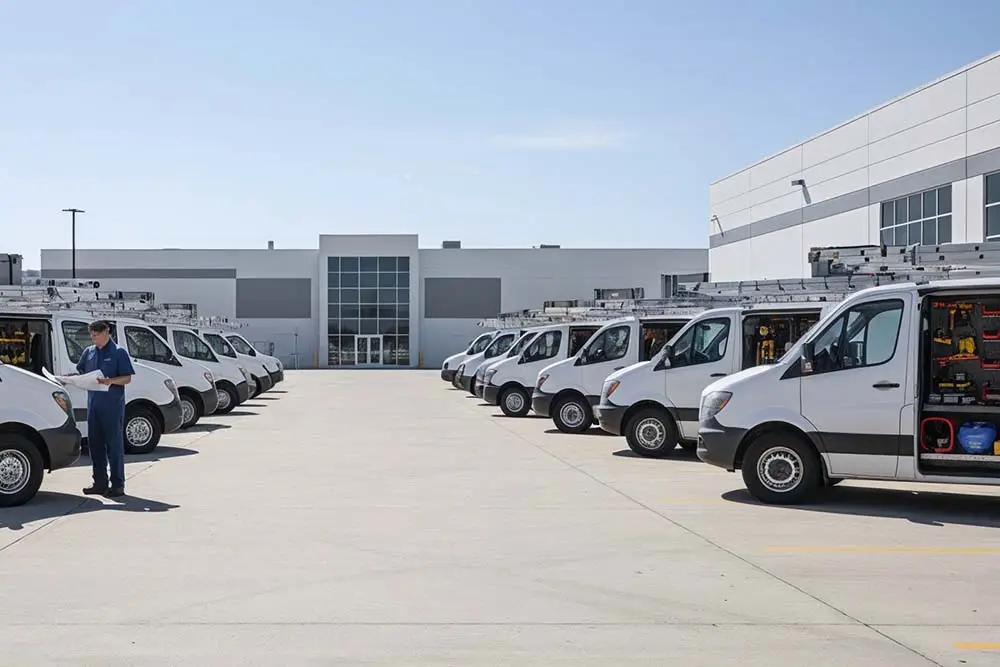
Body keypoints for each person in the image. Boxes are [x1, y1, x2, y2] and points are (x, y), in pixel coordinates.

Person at [75, 320, 135, 498]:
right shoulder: (89, 352)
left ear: (106, 332)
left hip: (112, 406)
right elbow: (82, 372)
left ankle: (117, 484)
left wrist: (110, 381)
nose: (93, 338)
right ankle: (99, 483)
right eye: (91, 335)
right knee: (95, 446)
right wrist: (73, 378)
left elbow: (127, 378)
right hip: (93, 405)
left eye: (96, 335)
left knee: (114, 446)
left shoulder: (118, 353)